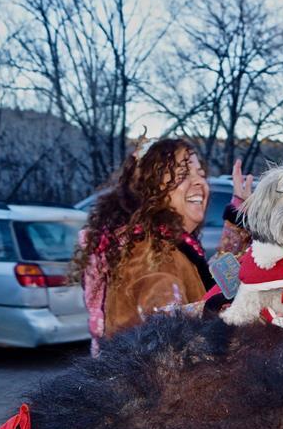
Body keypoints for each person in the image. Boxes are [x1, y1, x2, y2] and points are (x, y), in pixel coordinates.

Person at [75, 137, 251, 351]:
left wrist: (237, 215)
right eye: (182, 175)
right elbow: (160, 327)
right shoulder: (148, 255)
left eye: (201, 174)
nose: (199, 182)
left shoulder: (169, 245)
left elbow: (212, 282)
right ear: (151, 190)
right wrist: (215, 309)